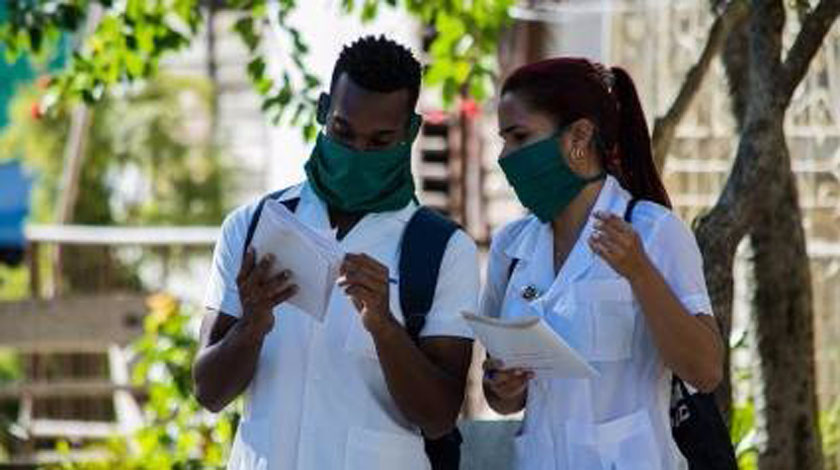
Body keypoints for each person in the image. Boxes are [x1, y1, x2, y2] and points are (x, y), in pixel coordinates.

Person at [193, 36, 479, 470]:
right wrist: (251, 325)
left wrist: (384, 326)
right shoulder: (252, 226)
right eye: (343, 133)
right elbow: (209, 393)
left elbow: (439, 418)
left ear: (411, 132)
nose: (357, 153)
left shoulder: (441, 249)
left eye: (380, 141)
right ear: (324, 111)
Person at [480, 57, 724, 470]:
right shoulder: (510, 247)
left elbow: (706, 370)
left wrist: (640, 273)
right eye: (504, 139)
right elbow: (502, 397)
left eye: (520, 137)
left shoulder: (653, 232)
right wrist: (500, 386)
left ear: (579, 136)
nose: (506, 156)